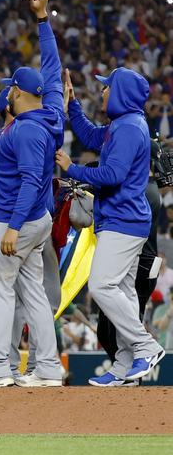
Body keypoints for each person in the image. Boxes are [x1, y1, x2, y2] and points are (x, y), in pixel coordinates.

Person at [0, 0, 65, 388]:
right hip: (38, 218)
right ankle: (47, 368)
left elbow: (26, 180)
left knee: (1, 294)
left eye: (10, 85)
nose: (6, 88)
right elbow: (53, 70)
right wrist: (42, 21)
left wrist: (12, 226)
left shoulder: (23, 131)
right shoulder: (50, 113)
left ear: (18, 93)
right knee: (34, 295)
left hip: (16, 219)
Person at [57, 65, 166, 385]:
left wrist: (72, 168)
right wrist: (73, 106)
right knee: (122, 292)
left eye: (107, 87)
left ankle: (145, 346)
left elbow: (112, 176)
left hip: (124, 220)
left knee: (103, 285)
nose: (102, 91)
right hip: (124, 218)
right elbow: (91, 135)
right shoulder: (125, 123)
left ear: (121, 93)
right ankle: (124, 364)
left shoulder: (130, 127)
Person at [95, 139, 164, 381]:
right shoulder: (149, 186)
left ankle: (135, 366)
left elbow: (113, 185)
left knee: (111, 326)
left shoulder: (143, 188)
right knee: (115, 323)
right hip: (144, 261)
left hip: (139, 261)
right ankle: (126, 368)